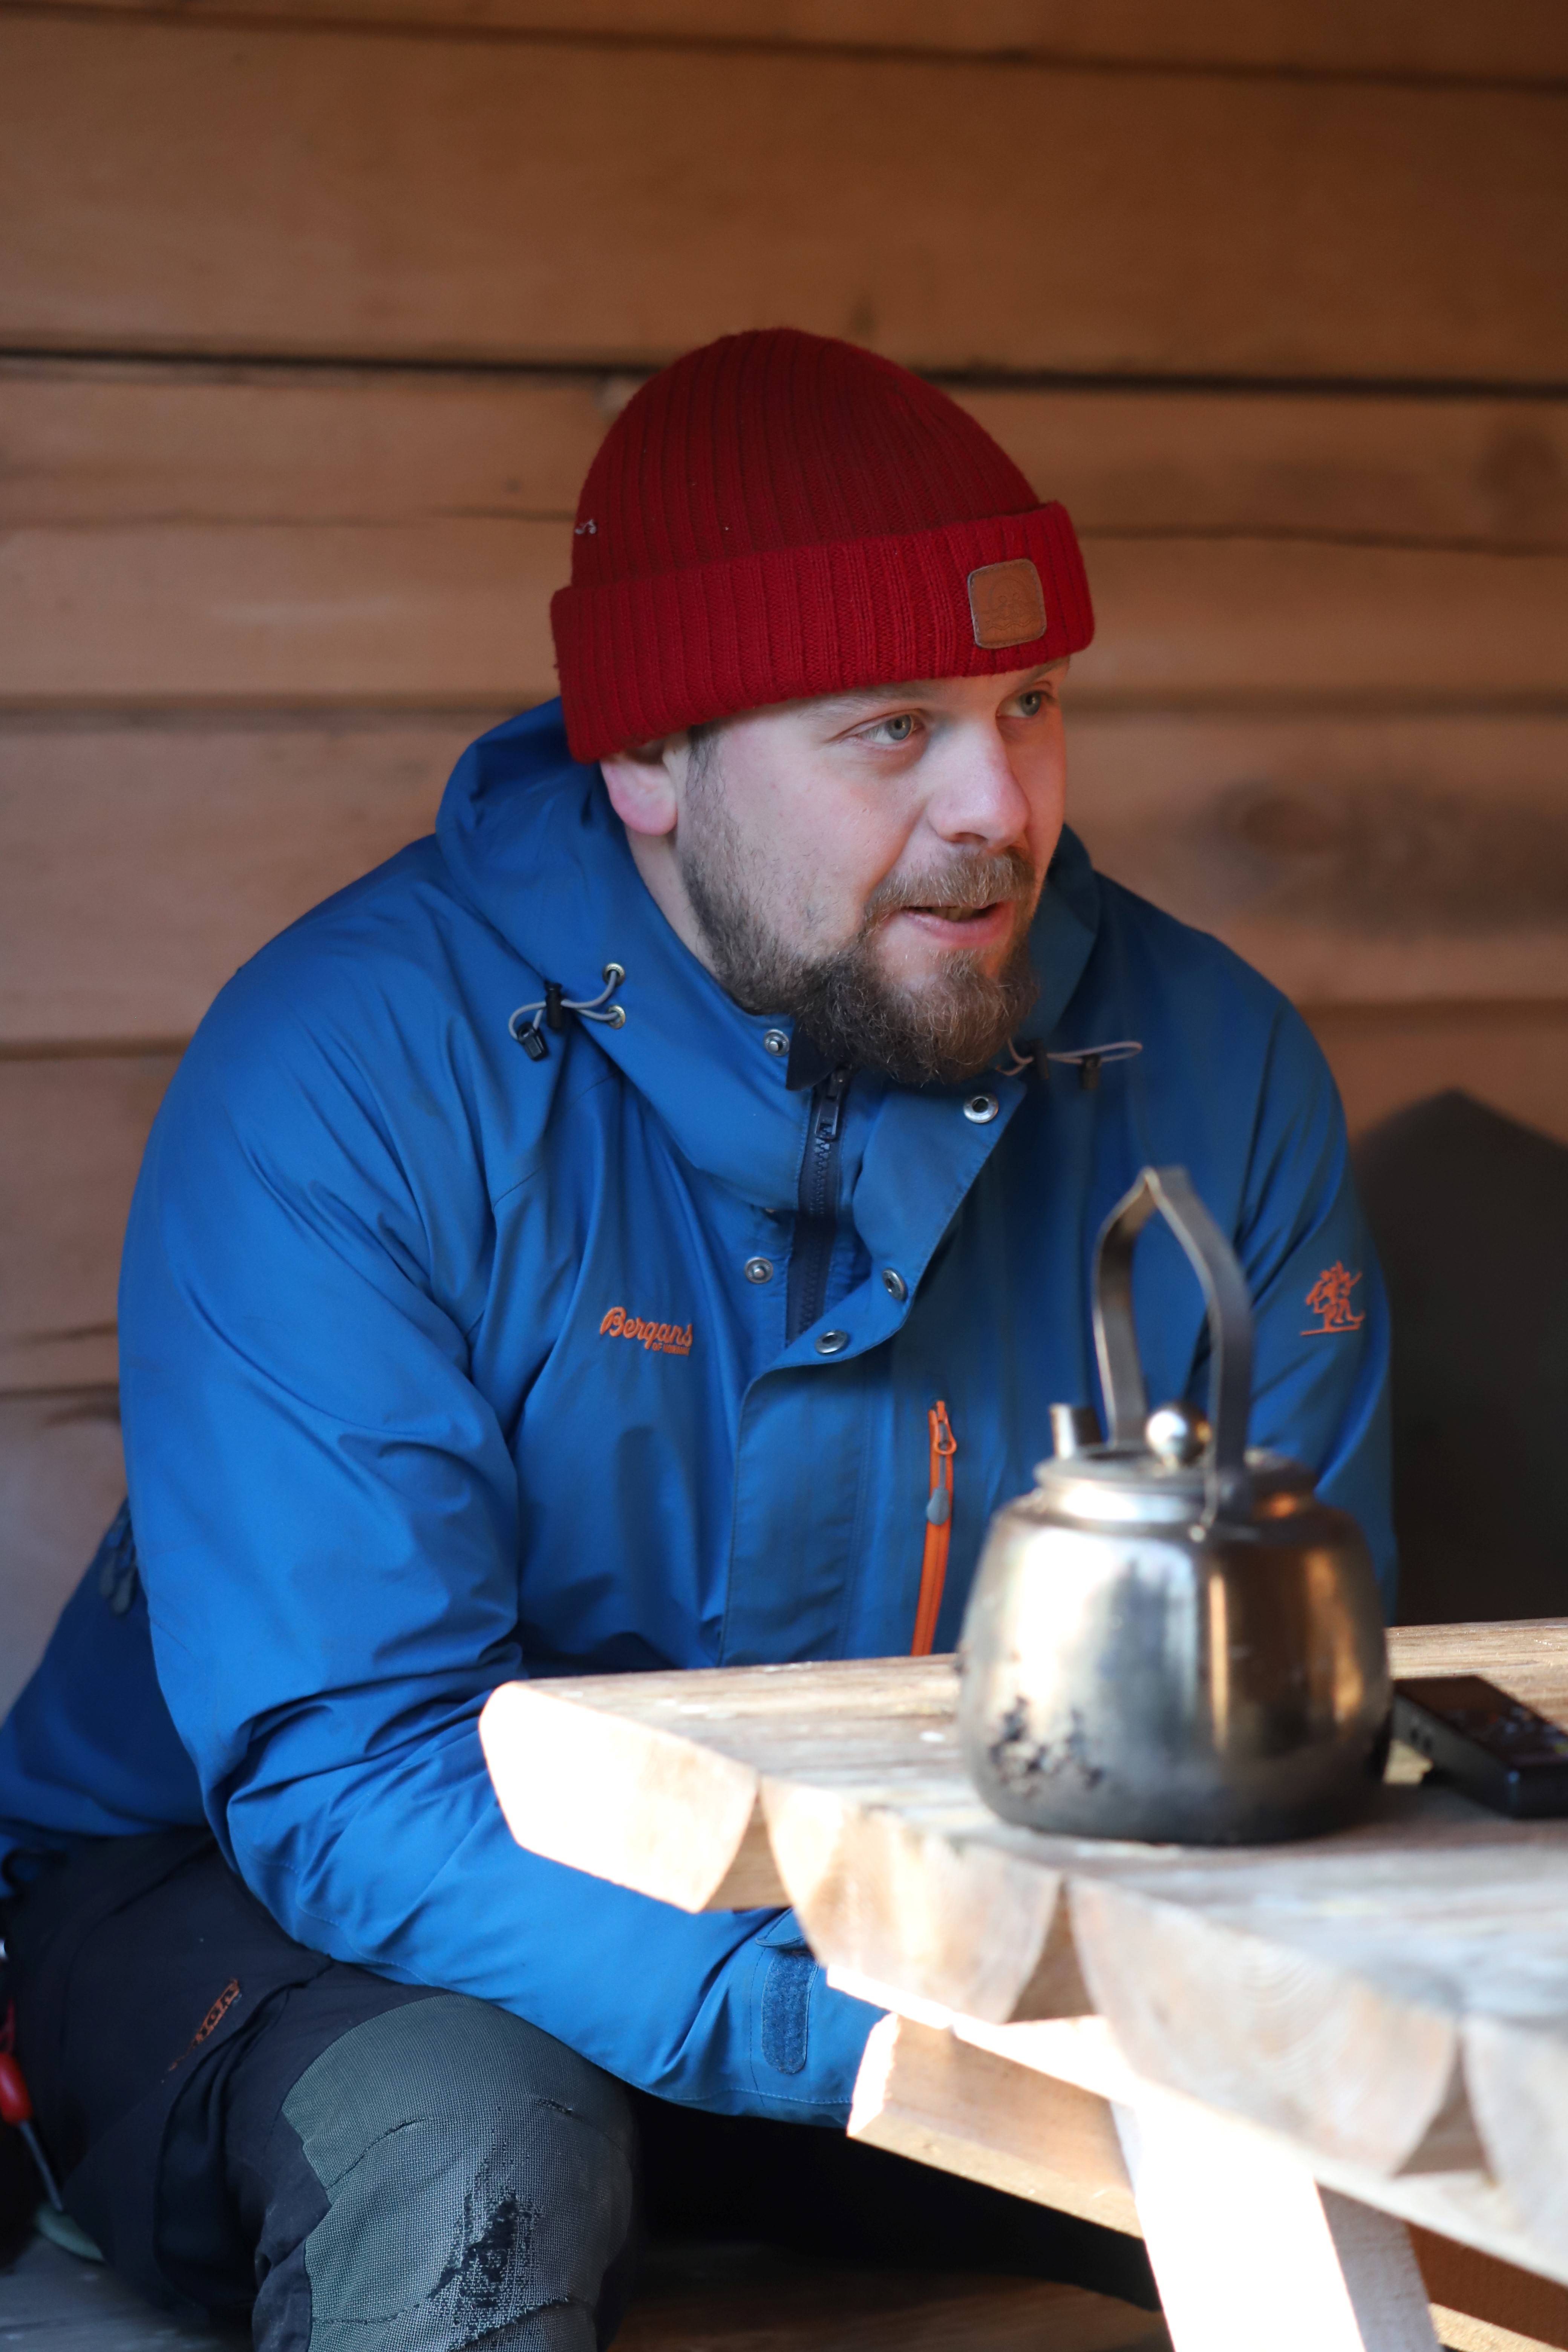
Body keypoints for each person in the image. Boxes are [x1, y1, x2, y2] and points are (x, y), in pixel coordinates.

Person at [0, 329, 1392, 2345]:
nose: (997, 803)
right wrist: (857, 2043)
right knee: (483, 2140)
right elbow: (349, 1776)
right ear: (646, 761)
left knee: (1390, 2148)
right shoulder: (352, 1066)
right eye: (891, 728)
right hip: (291, 1901)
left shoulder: (1214, 1071)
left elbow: (1282, 1722)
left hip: (924, 1928)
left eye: (1029, 702)